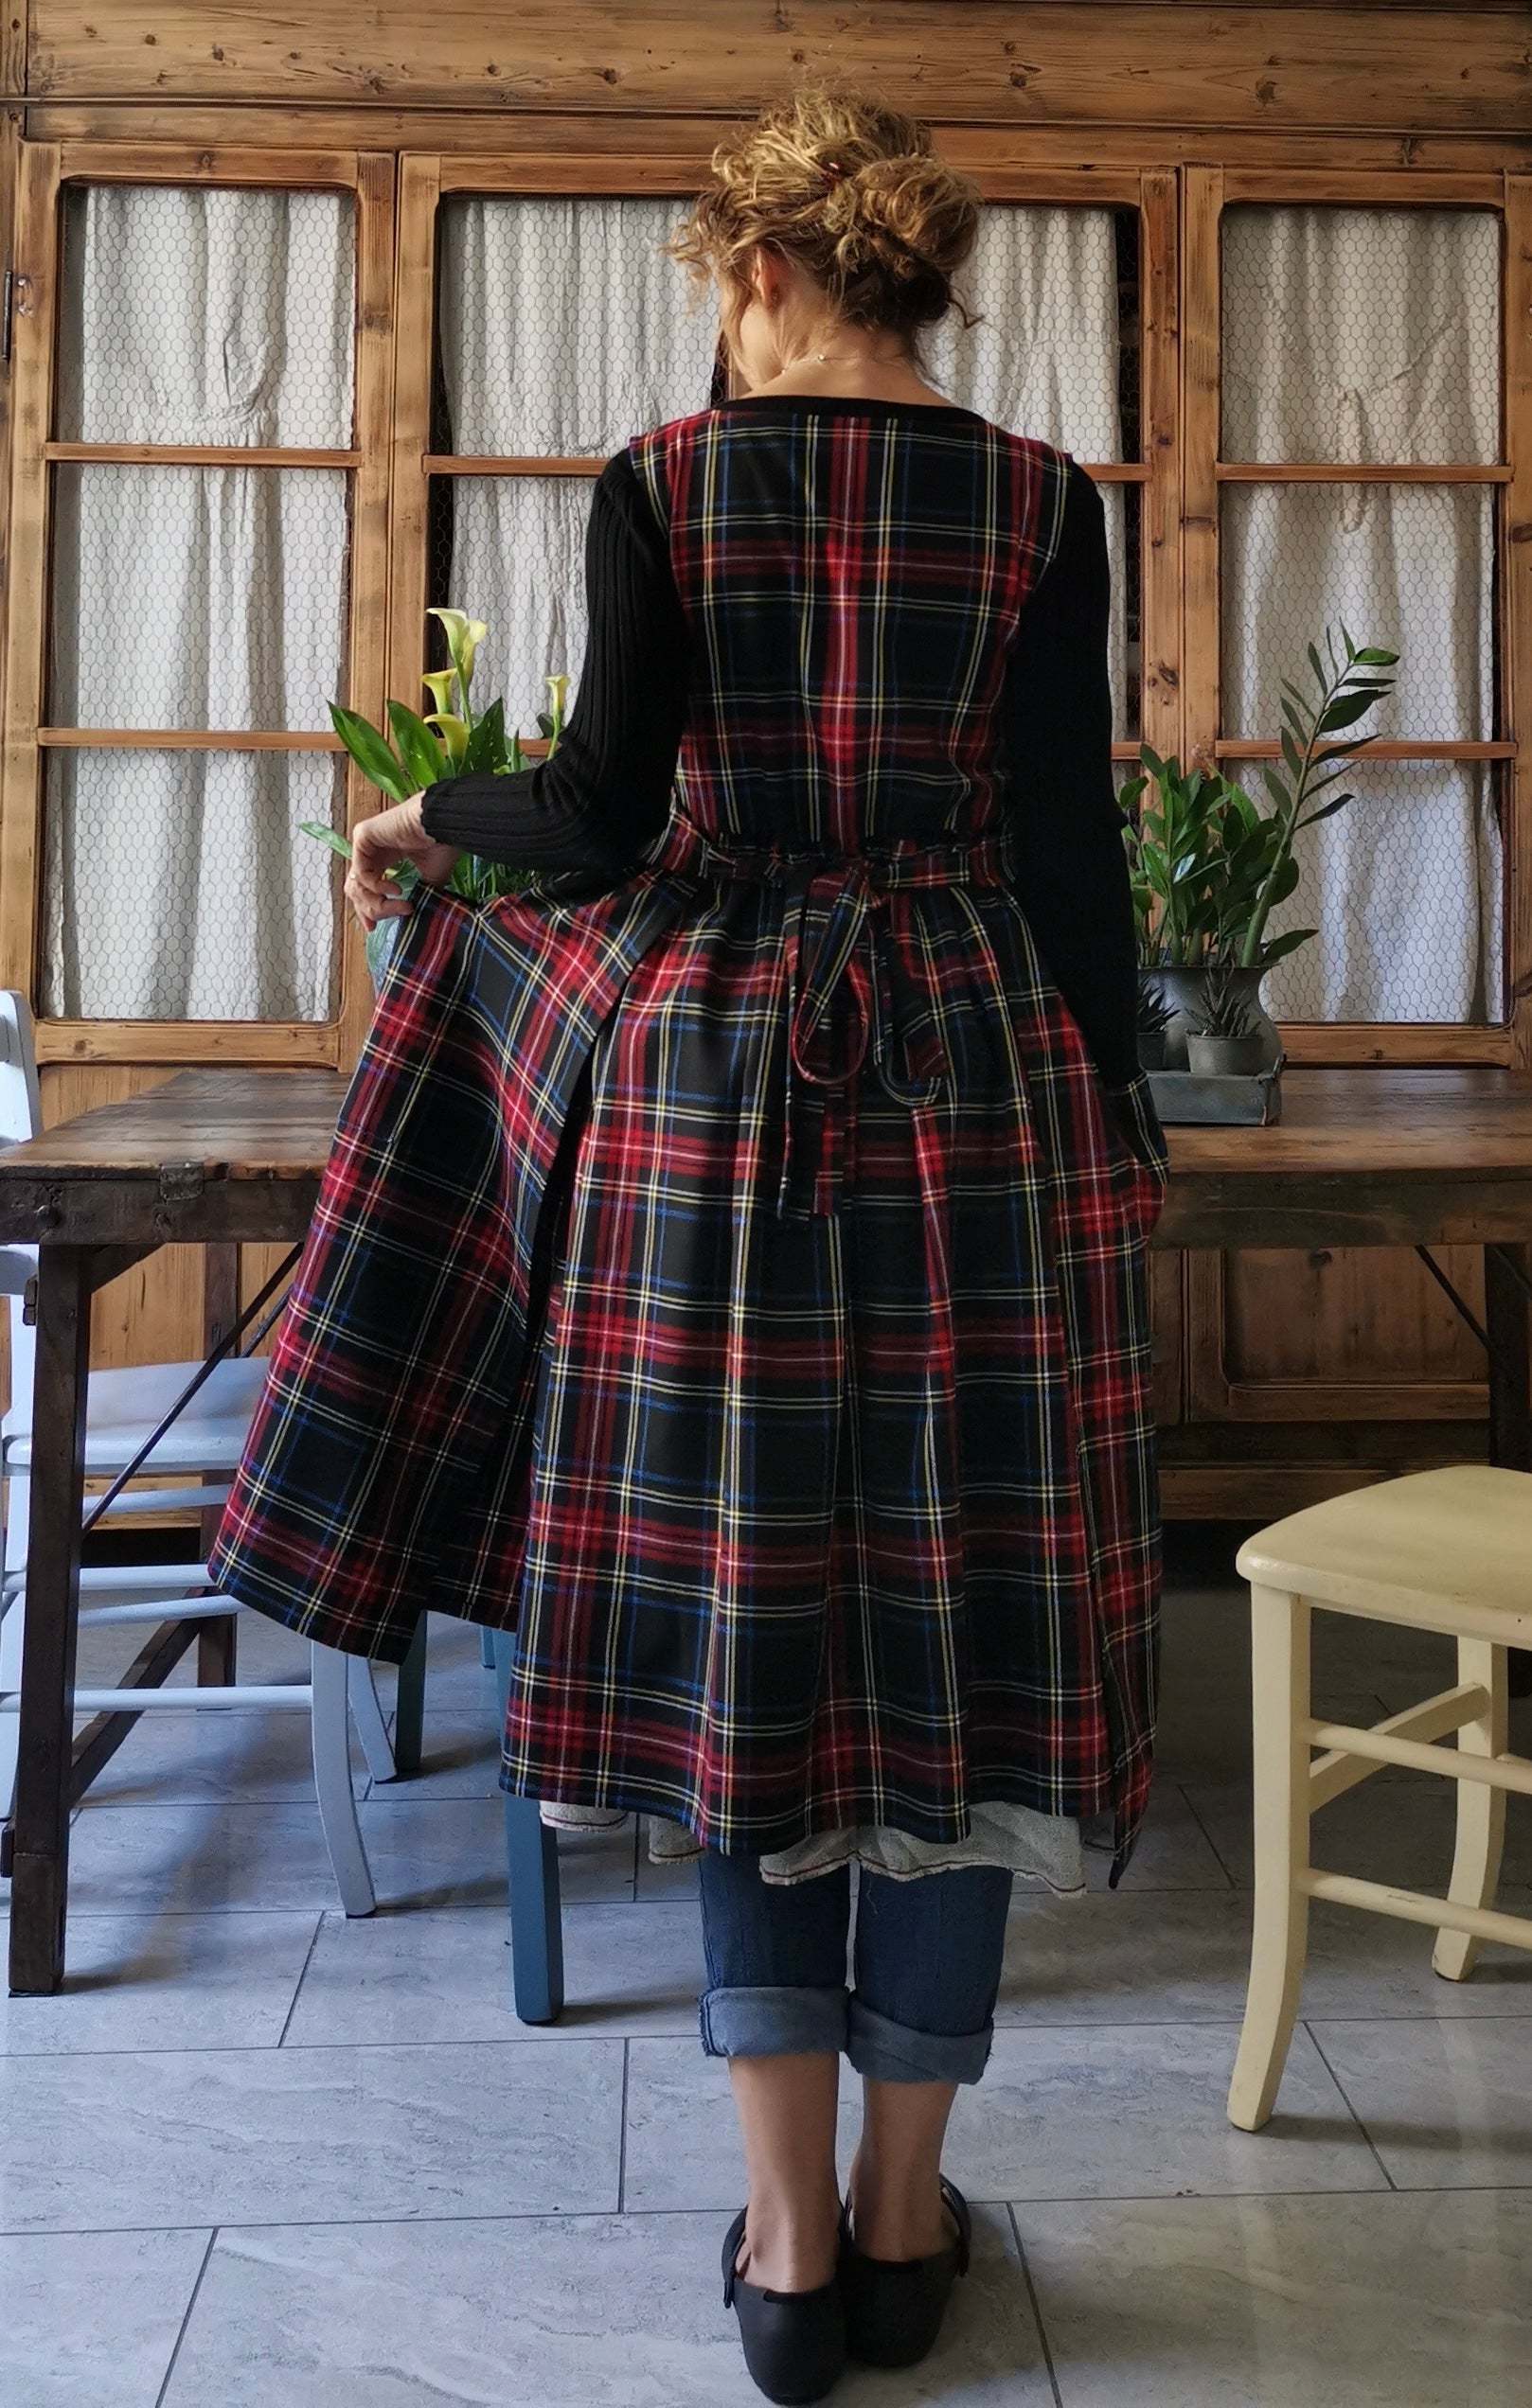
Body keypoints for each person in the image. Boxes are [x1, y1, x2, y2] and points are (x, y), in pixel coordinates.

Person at [213, 81, 1168, 2408]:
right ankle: (906, 2208)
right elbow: (1068, 862)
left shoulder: (665, 478)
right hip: (977, 1102)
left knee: (752, 1644)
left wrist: (418, 815)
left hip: (716, 1107)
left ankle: (784, 2245)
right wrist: (1117, 1135)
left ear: (756, 269)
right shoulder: (1043, 502)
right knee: (956, 1640)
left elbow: (601, 813)